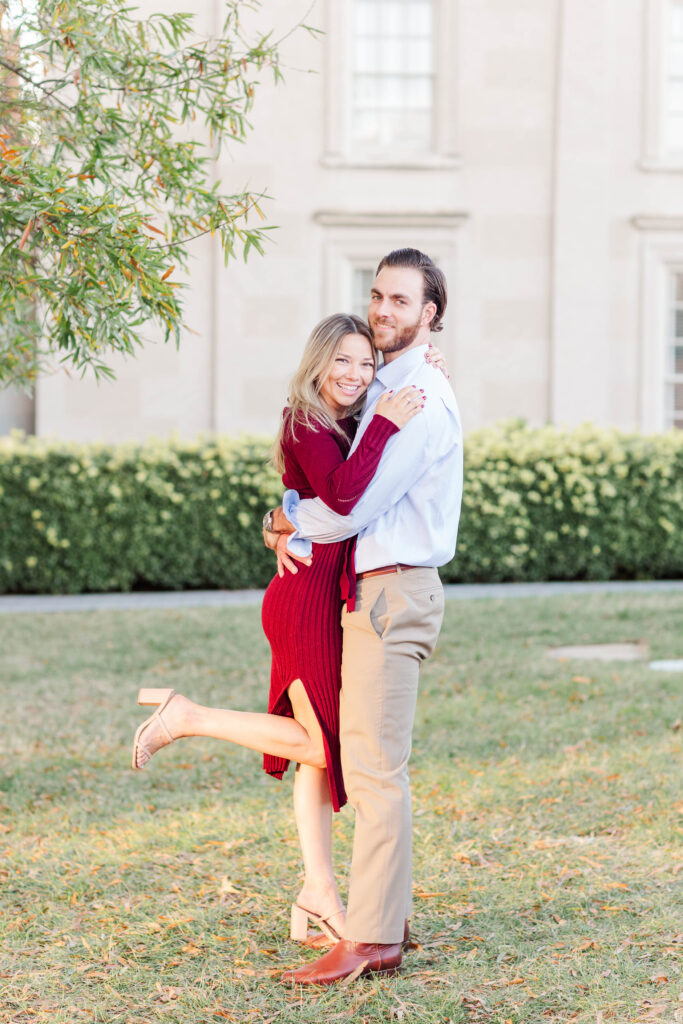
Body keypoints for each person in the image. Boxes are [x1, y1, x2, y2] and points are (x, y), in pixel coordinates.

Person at [131, 312, 444, 945]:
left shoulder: (348, 418)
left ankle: (318, 890)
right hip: (303, 595)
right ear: (319, 363)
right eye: (342, 362)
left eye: (366, 364)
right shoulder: (304, 419)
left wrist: (414, 385)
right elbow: (346, 495)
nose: (355, 374)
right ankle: (187, 717)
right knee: (324, 745)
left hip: (329, 592)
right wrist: (386, 423)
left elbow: (328, 493)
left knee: (320, 753)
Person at [266, 249, 463, 985]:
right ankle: (385, 916)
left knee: (376, 771)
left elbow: (358, 503)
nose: (383, 310)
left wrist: (285, 520)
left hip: (391, 589)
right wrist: (280, 517)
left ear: (429, 313)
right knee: (366, 760)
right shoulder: (394, 381)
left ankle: (373, 936)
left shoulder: (420, 399)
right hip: (367, 590)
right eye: (376, 295)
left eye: (401, 302)